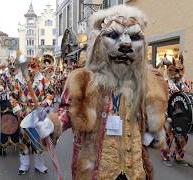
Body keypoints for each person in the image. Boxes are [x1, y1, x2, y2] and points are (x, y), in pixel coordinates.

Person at [35, 5, 168, 180]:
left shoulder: (148, 82)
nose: (126, 44)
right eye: (114, 35)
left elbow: (149, 123)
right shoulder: (83, 80)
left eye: (134, 37)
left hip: (134, 170)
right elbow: (68, 111)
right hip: (96, 171)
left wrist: (153, 131)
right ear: (98, 43)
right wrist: (53, 124)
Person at [8, 56, 53, 175]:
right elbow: (12, 96)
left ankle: (39, 164)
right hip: (24, 113)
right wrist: (17, 109)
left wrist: (45, 103)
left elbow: (50, 94)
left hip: (38, 113)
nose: (30, 70)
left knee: (38, 138)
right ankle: (24, 164)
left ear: (38, 67)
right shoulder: (18, 80)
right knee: (24, 139)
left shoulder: (44, 80)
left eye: (33, 67)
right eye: (28, 67)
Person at [160, 54, 193, 167]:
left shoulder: (185, 82)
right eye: (175, 70)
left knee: (183, 135)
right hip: (168, 112)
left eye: (180, 70)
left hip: (182, 114)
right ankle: (165, 156)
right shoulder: (165, 82)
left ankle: (178, 157)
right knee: (169, 135)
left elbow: (189, 96)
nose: (178, 74)